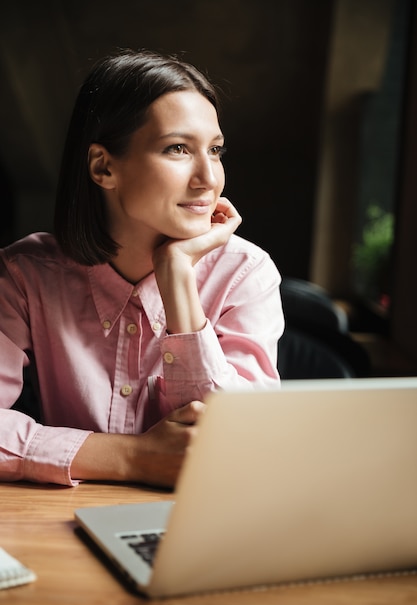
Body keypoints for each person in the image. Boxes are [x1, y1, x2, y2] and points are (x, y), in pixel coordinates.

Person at [0, 49, 284, 489]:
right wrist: (132, 459)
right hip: (64, 521)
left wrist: (178, 280)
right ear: (103, 166)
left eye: (215, 150)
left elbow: (241, 449)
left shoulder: (246, 273)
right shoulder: (26, 274)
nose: (208, 178)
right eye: (178, 149)